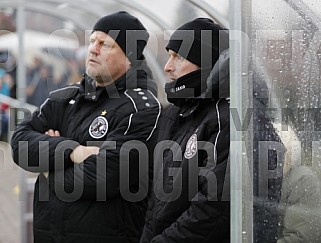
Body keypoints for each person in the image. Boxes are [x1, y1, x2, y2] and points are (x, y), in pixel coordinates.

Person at [11, 11, 161, 243]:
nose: (93, 49)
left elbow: (102, 178)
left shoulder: (142, 108)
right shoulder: (65, 98)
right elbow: (20, 143)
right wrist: (72, 151)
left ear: (129, 56)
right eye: (92, 41)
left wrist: (47, 165)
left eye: (105, 44)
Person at [140, 18, 230, 242]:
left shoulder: (226, 119)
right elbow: (156, 202)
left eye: (178, 57)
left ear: (207, 63)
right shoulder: (173, 114)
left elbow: (213, 210)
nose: (167, 67)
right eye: (169, 55)